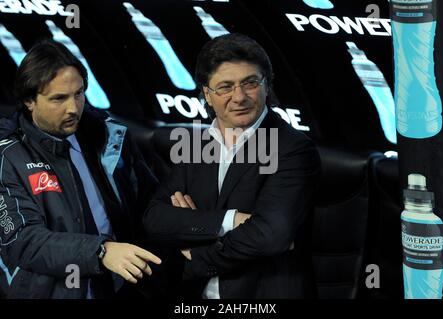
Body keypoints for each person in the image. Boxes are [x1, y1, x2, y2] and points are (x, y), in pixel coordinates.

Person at [143, 33, 321, 298]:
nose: (239, 97)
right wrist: (232, 220)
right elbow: (155, 219)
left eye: (250, 83)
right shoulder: (196, 144)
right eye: (225, 87)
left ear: (266, 85)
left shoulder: (293, 148)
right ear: (207, 94)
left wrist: (197, 253)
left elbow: (271, 234)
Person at [0, 39, 161, 299]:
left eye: (79, 93)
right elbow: (23, 241)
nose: (73, 108)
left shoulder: (110, 136)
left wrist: (180, 224)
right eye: (59, 98)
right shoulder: (8, 156)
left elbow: (148, 199)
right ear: (30, 101)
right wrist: (101, 251)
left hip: (121, 286)